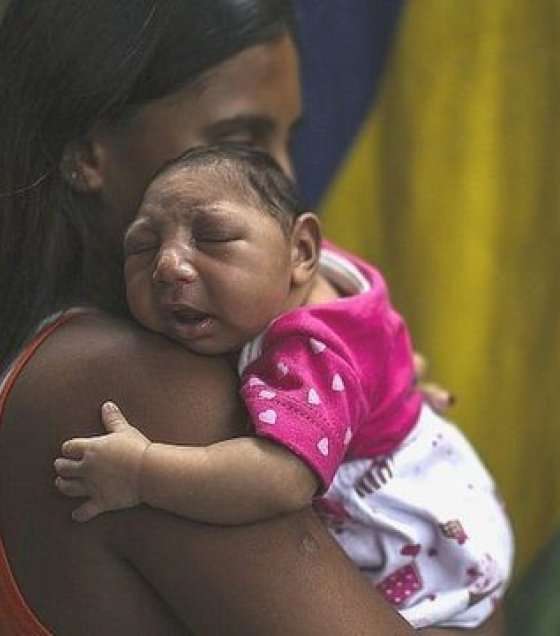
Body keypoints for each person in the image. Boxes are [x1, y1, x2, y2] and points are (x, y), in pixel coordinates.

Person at [0, 1, 505, 633]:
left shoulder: (70, 351)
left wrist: (371, 415)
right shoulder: (134, 387)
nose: (283, 182)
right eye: (240, 140)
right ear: (87, 152)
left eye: (286, 142)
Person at [53, 144, 514, 629]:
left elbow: (282, 478)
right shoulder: (318, 273)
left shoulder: (310, 350)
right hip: (451, 496)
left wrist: (143, 471)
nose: (167, 266)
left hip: (420, 552)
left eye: (212, 237)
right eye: (142, 246)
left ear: (302, 251)